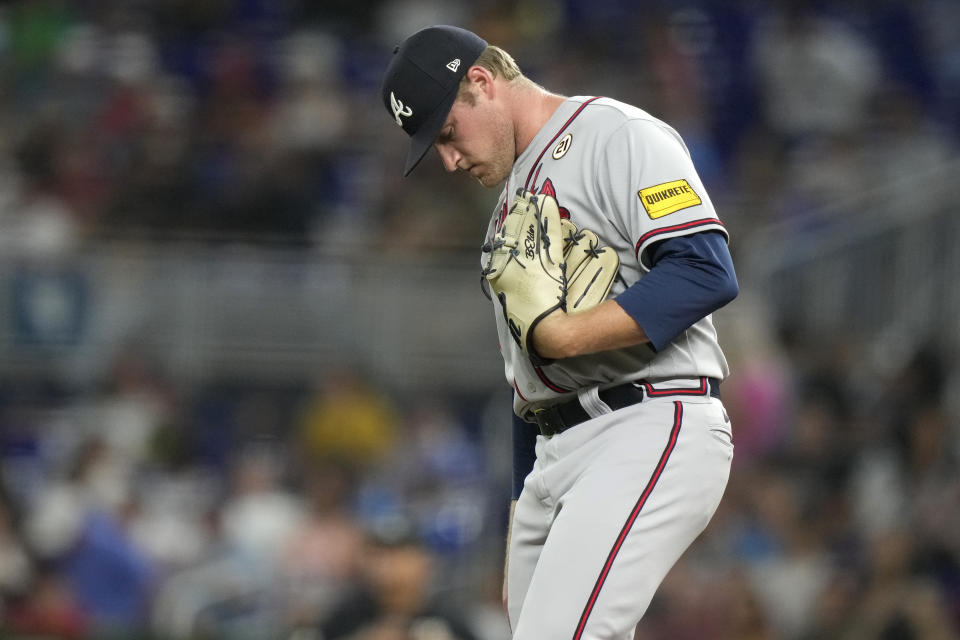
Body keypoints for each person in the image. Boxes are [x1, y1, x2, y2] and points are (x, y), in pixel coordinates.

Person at [380, 25, 739, 639]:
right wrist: (527, 505)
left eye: (446, 134)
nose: (447, 159)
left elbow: (705, 270)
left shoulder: (616, 135)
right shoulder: (507, 210)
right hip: (554, 452)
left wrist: (567, 334)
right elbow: (529, 387)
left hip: (647, 421)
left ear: (482, 81)